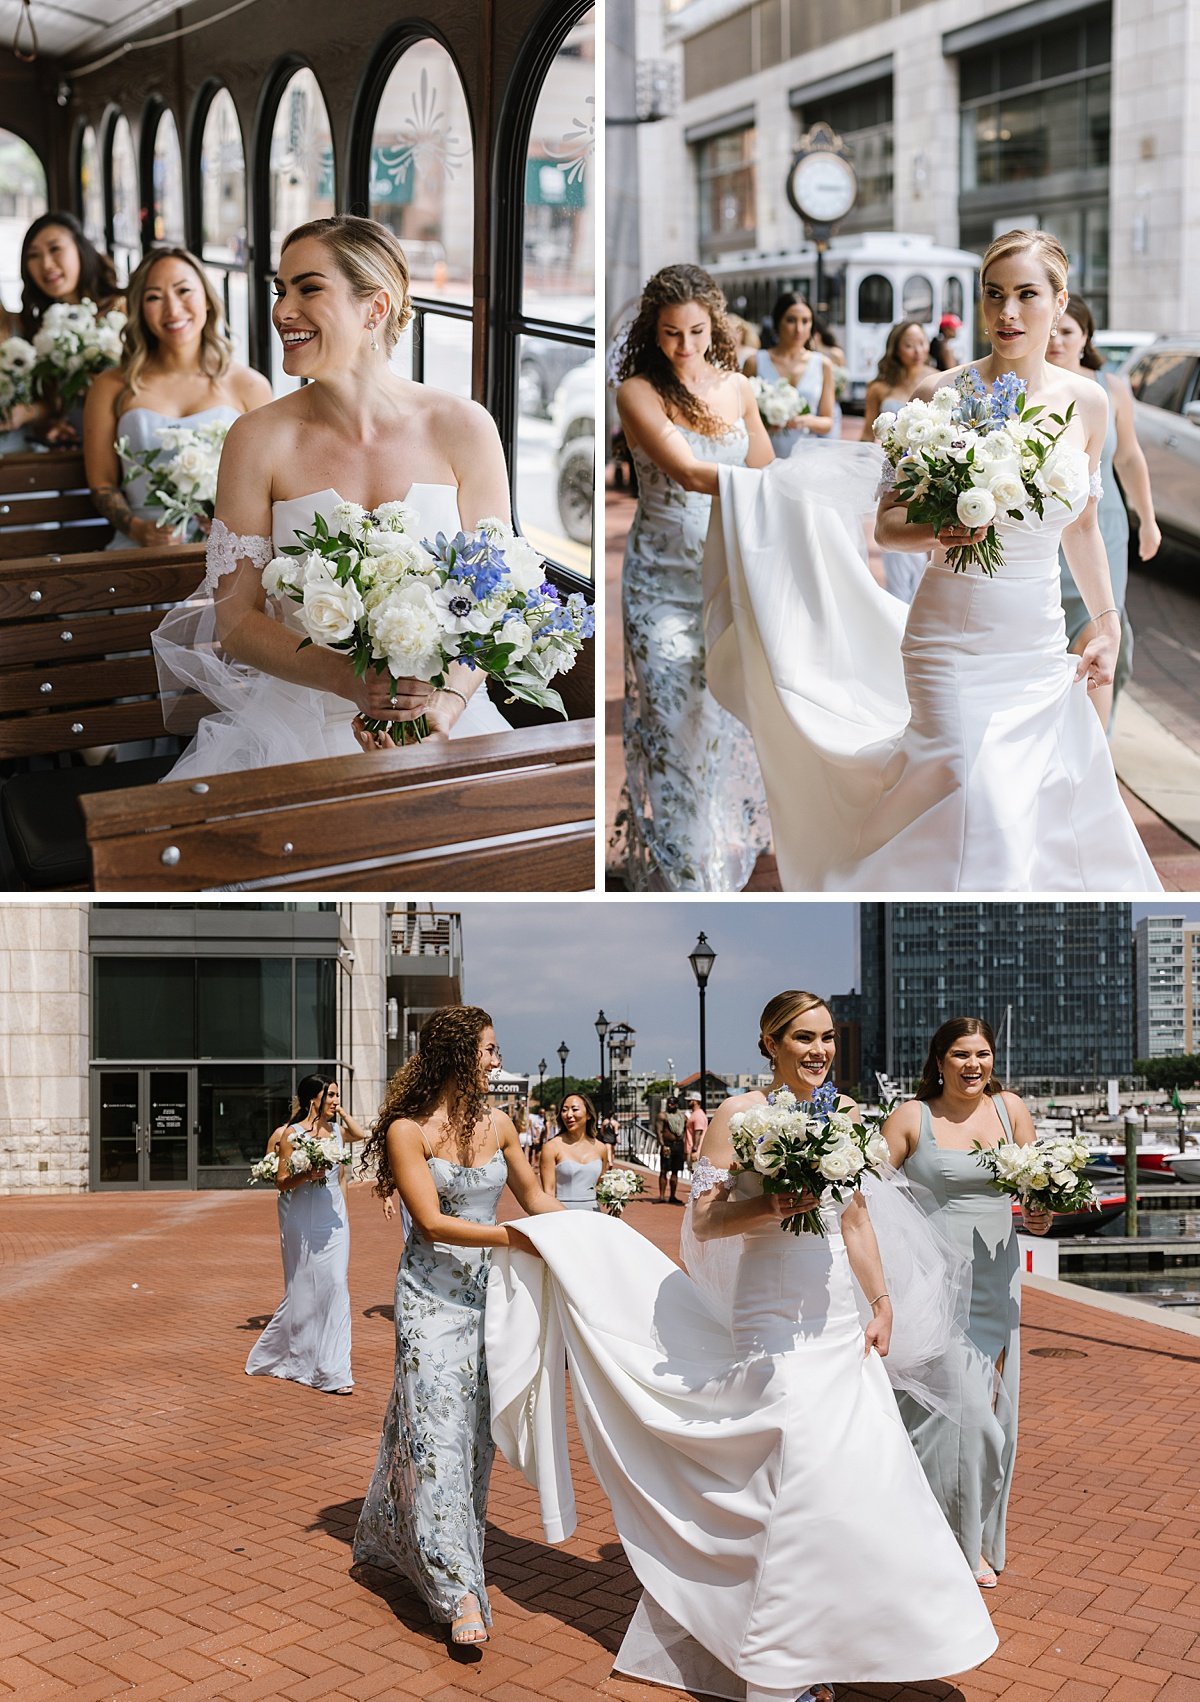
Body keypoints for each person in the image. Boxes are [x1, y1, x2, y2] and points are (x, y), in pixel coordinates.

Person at [487, 989, 998, 1700]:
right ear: (771, 1043)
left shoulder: (848, 1117)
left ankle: (821, 1642)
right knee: (792, 1464)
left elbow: (854, 1220)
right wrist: (770, 1203)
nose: (819, 1051)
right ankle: (777, 1663)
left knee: (853, 1478)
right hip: (771, 1312)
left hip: (838, 1312)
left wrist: (880, 1301)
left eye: (826, 1039)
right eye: (803, 1039)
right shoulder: (736, 1115)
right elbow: (703, 1221)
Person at [704, 227, 1161, 892]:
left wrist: (1106, 620)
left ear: (1060, 303)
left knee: (1026, 811)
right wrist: (941, 525)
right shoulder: (937, 397)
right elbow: (888, 526)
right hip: (947, 640)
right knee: (977, 800)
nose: (1007, 312)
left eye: (1027, 295)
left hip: (1033, 645)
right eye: (993, 295)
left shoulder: (1087, 403)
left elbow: (1083, 526)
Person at [152, 214, 511, 780]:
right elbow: (236, 620)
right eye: (280, 290)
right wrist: (347, 680)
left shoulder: (464, 427)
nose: (282, 311)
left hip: (449, 719)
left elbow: (497, 602)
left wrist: (446, 705)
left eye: (308, 288)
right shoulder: (257, 439)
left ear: (376, 307)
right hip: (298, 725)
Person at [351, 1006, 562, 1647]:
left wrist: (585, 1230)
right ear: (457, 1054)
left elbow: (535, 1199)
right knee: (438, 1431)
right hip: (428, 1302)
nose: (498, 1061)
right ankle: (457, 1590)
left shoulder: (501, 1124)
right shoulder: (406, 1131)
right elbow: (435, 1224)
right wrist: (517, 1238)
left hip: (491, 1301)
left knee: (472, 1437)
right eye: (490, 1050)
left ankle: (443, 1541)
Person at [613, 262, 772, 891]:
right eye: (672, 333)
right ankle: (686, 878)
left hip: (725, 581)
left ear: (716, 327)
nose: (685, 346)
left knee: (716, 721)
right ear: (654, 332)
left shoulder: (740, 389)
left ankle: (708, 851)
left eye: (697, 332)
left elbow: (765, 464)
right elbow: (687, 473)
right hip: (661, 586)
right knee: (673, 726)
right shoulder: (636, 393)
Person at [882, 1017, 1050, 1586]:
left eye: (982, 1054)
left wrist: (1041, 1212)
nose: (973, 1064)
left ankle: (972, 1534)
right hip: (933, 1285)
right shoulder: (912, 1117)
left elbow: (1035, 1196)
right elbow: (864, 1194)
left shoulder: (1011, 1112)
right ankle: (953, 1544)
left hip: (996, 1282)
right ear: (939, 1061)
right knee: (961, 1416)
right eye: (960, 1054)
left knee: (990, 1418)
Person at [83, 247, 270, 549]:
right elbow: (102, 484)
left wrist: (230, 519)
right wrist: (137, 528)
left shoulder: (249, 386)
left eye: (183, 291)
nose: (172, 309)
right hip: (141, 546)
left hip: (225, 548)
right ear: (140, 309)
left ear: (207, 299)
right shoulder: (111, 386)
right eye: (154, 297)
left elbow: (266, 486)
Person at [1048, 293, 1161, 734]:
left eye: (1067, 331)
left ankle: (1095, 747)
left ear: (1086, 336)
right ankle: (1057, 729)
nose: (1056, 339)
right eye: (1052, 330)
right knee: (1054, 633)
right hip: (1051, 526)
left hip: (1104, 524)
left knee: (1098, 629)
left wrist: (1147, 519)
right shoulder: (1033, 386)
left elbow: (1129, 458)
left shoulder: (1112, 389)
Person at [245, 1073, 361, 1395]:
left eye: (337, 1095)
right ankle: (293, 1356)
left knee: (337, 1284)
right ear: (315, 1099)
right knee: (303, 1289)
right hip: (302, 1219)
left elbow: (341, 1181)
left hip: (334, 1220)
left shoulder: (337, 1132)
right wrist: (309, 1174)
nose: (337, 1101)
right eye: (332, 1096)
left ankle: (333, 1369)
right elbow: (281, 1182)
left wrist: (346, 1216)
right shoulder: (291, 1135)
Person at [0, 212, 123, 449]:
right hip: (76, 448)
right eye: (34, 256)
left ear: (80, 249)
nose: (46, 264)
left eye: (55, 249)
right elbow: (52, 402)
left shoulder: (121, 310)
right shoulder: (36, 329)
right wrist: (50, 424)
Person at [861, 320, 936, 602]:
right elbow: (868, 431)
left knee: (926, 548)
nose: (917, 350)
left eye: (921, 342)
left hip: (929, 473)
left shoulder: (938, 379)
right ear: (896, 349)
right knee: (895, 546)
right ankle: (898, 607)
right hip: (894, 474)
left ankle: (919, 606)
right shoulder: (880, 388)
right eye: (909, 344)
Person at [744, 292, 836, 458]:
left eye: (805, 321)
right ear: (778, 322)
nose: (799, 329)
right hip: (765, 455)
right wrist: (766, 422)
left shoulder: (823, 365)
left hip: (807, 458)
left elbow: (828, 422)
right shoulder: (755, 362)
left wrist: (805, 421)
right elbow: (740, 415)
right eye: (791, 320)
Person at [540, 1091, 610, 1209]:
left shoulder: (601, 1148)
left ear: (588, 1115)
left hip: (593, 1216)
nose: (569, 1114)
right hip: (562, 1215)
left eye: (575, 1109)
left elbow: (600, 1186)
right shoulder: (551, 1147)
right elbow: (549, 1192)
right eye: (564, 1110)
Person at [656, 1096, 687, 1203]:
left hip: (678, 1145)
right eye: (669, 1103)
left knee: (675, 1171)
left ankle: (672, 1196)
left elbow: (686, 1133)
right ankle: (661, 1196)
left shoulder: (683, 1117)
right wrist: (663, 1145)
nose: (670, 1105)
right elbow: (659, 1132)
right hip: (667, 1145)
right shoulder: (662, 1116)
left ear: (677, 1104)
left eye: (672, 1103)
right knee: (664, 1170)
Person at [684, 1090, 708, 1163]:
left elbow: (698, 1133)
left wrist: (694, 1150)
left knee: (694, 1172)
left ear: (695, 1101)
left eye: (689, 1101)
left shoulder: (698, 1115)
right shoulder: (696, 1114)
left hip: (695, 1151)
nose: (687, 1103)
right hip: (693, 1150)